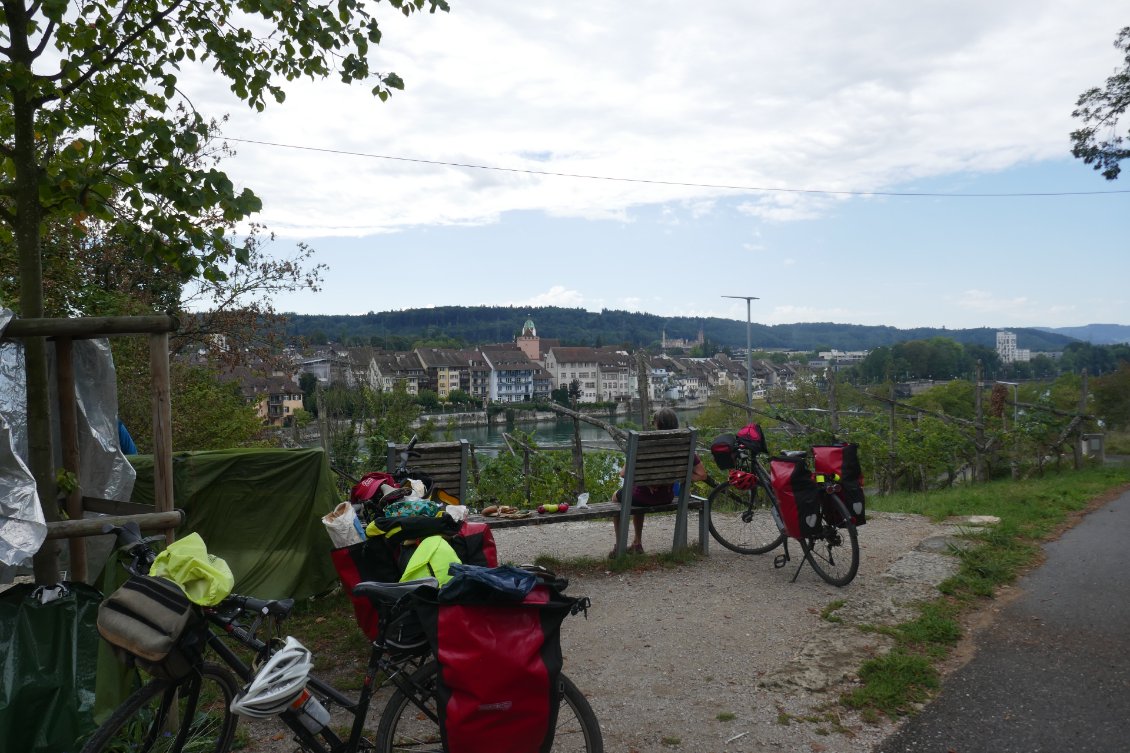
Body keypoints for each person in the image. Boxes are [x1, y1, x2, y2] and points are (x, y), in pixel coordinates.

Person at [610, 407, 707, 558]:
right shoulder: (684, 444)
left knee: (617, 497)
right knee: (637, 496)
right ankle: (636, 543)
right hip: (666, 497)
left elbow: (623, 474)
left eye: (653, 421)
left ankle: (619, 546)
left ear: (658, 424)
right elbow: (701, 474)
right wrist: (672, 478)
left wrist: (649, 481)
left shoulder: (644, 442)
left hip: (642, 497)